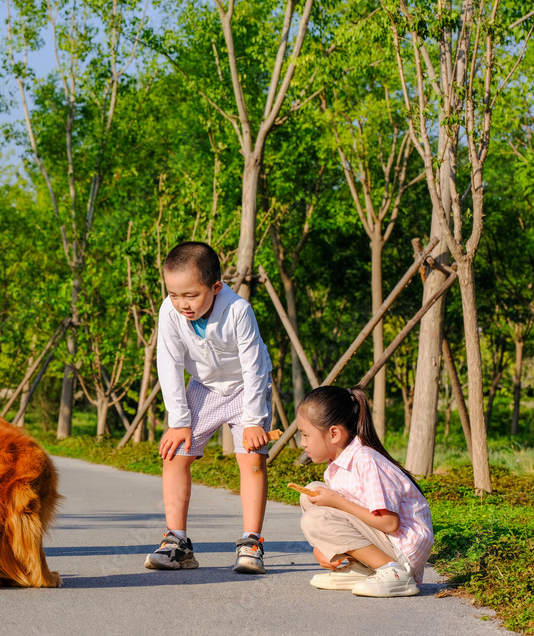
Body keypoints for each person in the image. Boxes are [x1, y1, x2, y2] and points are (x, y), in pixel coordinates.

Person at [146, 241, 274, 574]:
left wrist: (254, 421)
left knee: (252, 461)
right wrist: (179, 421)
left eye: (190, 295)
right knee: (175, 455)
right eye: (174, 294)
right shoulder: (169, 312)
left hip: (246, 389)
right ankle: (177, 542)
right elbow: (169, 364)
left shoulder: (238, 310)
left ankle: (251, 542)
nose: (181, 304)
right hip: (204, 388)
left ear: (215, 287)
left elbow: (254, 366)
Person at [293, 385, 433, 597]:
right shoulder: (336, 466)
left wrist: (337, 502)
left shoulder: (366, 460)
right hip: (385, 540)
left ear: (333, 433)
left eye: (305, 435)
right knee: (310, 494)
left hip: (402, 548)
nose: (302, 443)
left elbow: (390, 523)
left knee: (316, 517)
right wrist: (323, 547)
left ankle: (394, 572)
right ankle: (364, 568)